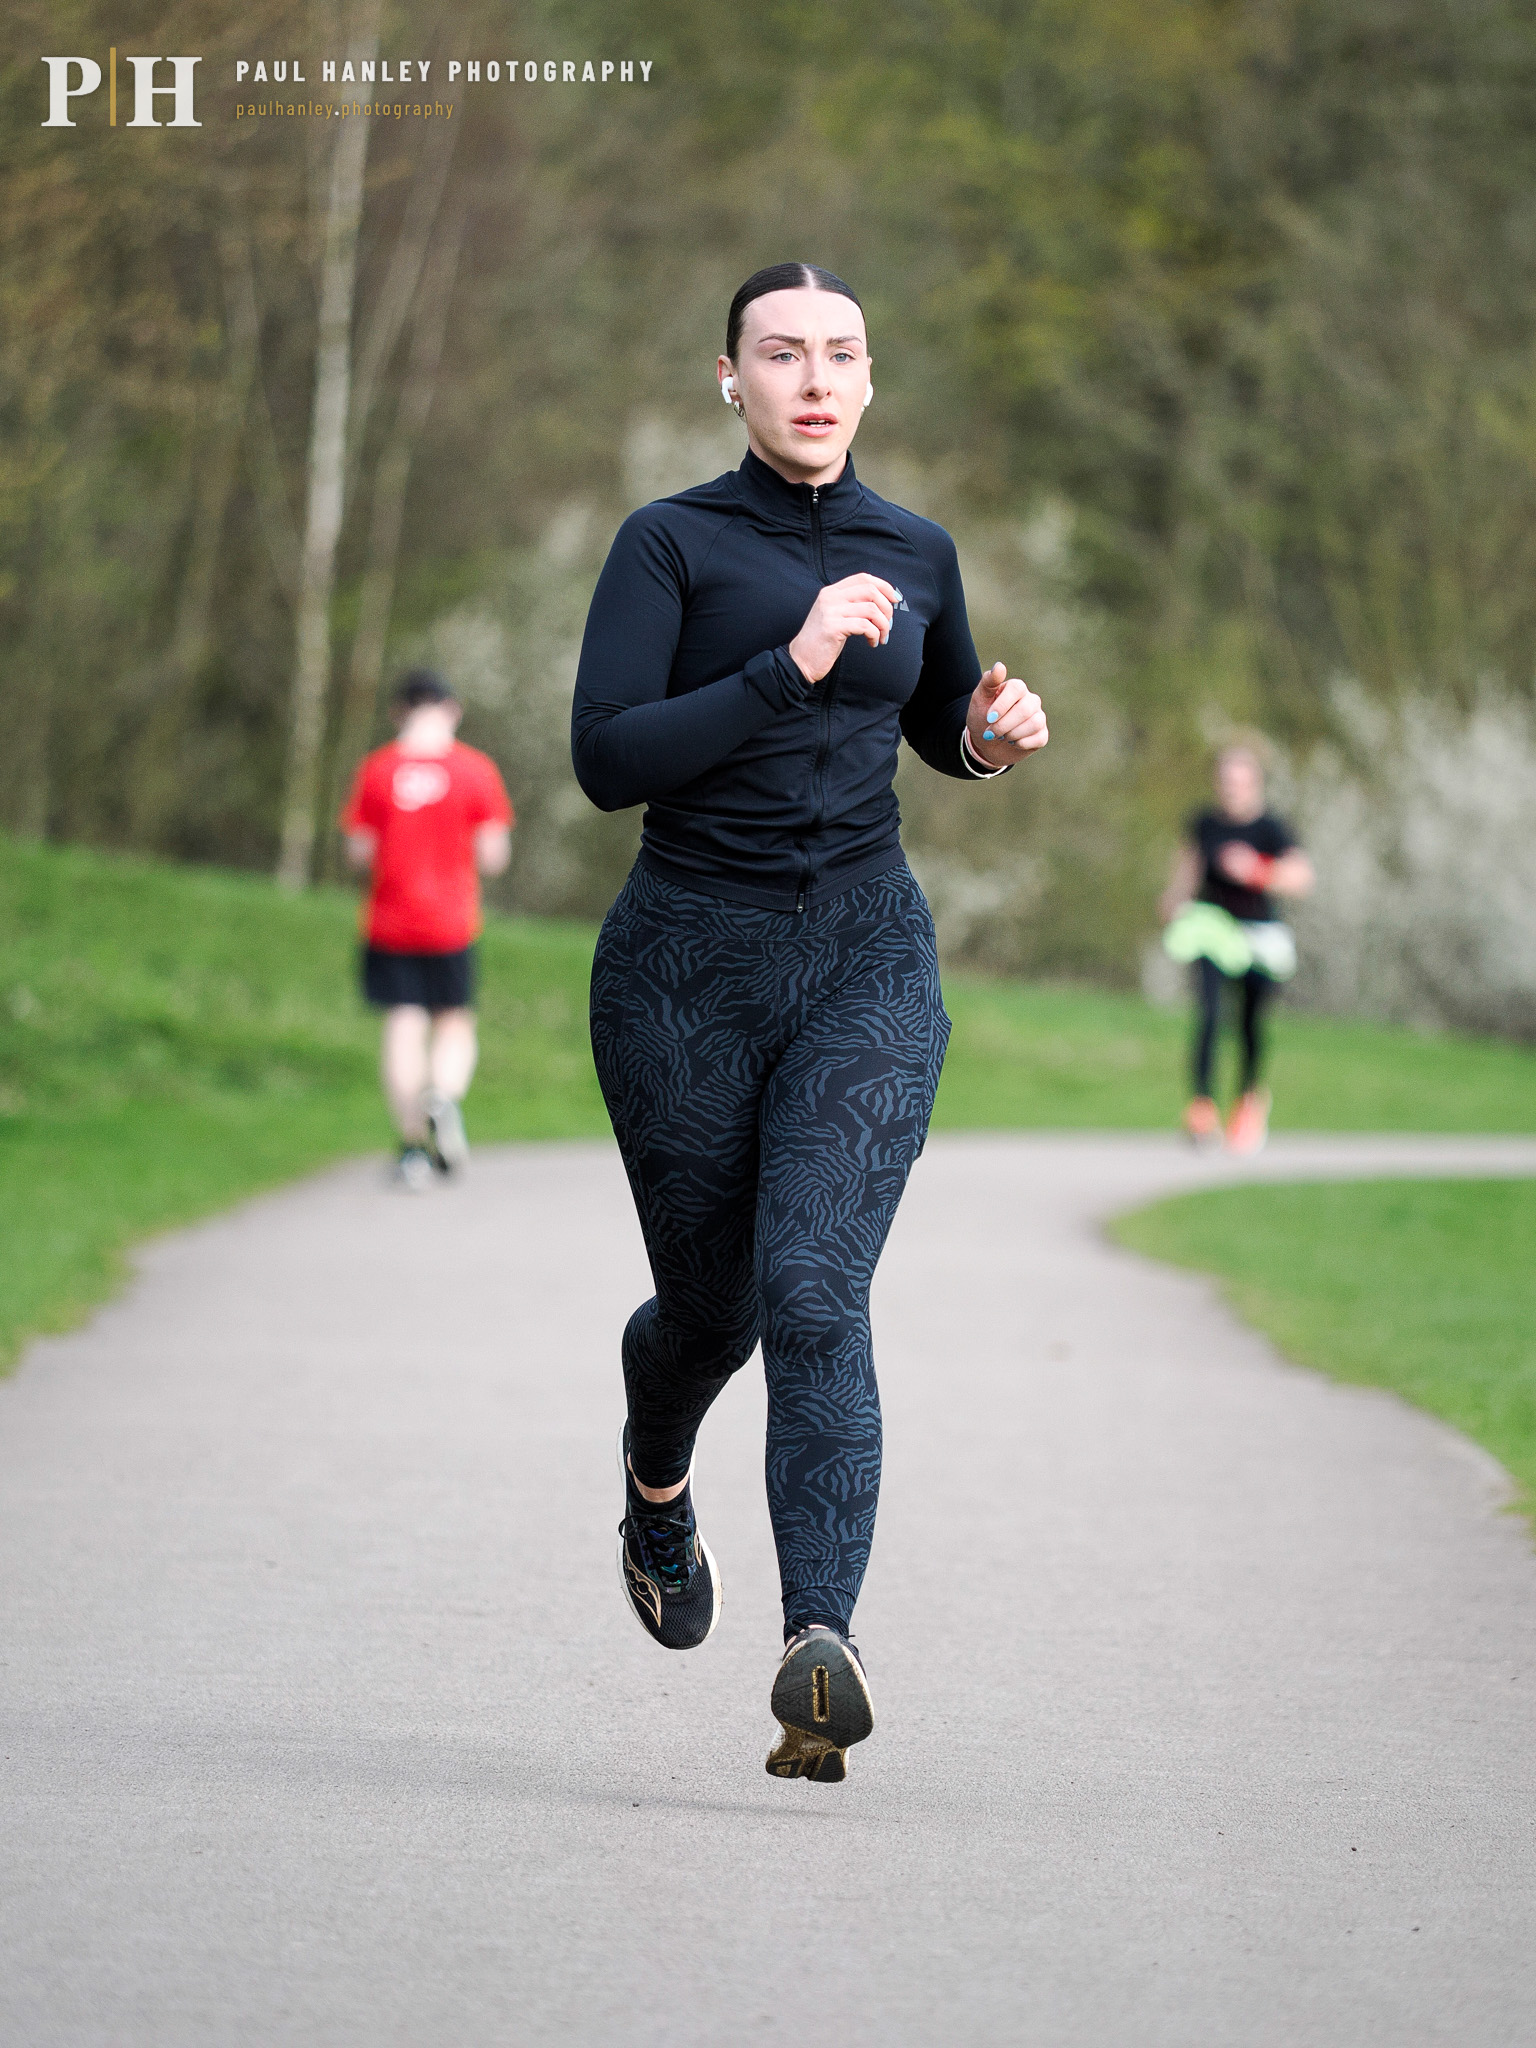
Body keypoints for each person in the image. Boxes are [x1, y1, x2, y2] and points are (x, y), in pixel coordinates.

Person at [571, 261, 1049, 1782]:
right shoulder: (670, 546)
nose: (815, 378)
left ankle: (815, 1648)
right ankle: (656, 1482)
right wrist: (787, 666)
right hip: (682, 972)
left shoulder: (917, 548)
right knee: (712, 1315)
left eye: (842, 352)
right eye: (783, 354)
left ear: (867, 377)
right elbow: (607, 758)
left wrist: (982, 743)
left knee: (816, 1295)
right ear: (732, 378)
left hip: (865, 962)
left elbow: (937, 720)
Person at [341, 670, 513, 1189]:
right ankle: (443, 1094)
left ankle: (412, 1149)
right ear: (452, 709)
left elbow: (358, 851)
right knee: (454, 1022)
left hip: (389, 922)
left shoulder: (377, 769)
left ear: (399, 711)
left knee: (403, 1026)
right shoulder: (476, 770)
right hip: (452, 923)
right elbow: (493, 856)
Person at [1159, 741, 1314, 1154]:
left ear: (1254, 783)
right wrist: (1173, 900)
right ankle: (1201, 1106)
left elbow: (1301, 878)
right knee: (1208, 1013)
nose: (1232, 789)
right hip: (1212, 928)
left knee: (1249, 1023)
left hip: (1258, 936)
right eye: (1225, 781)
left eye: (1239, 782)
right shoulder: (1205, 823)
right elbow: (1189, 867)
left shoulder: (1271, 828)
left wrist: (1257, 869)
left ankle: (1248, 1099)